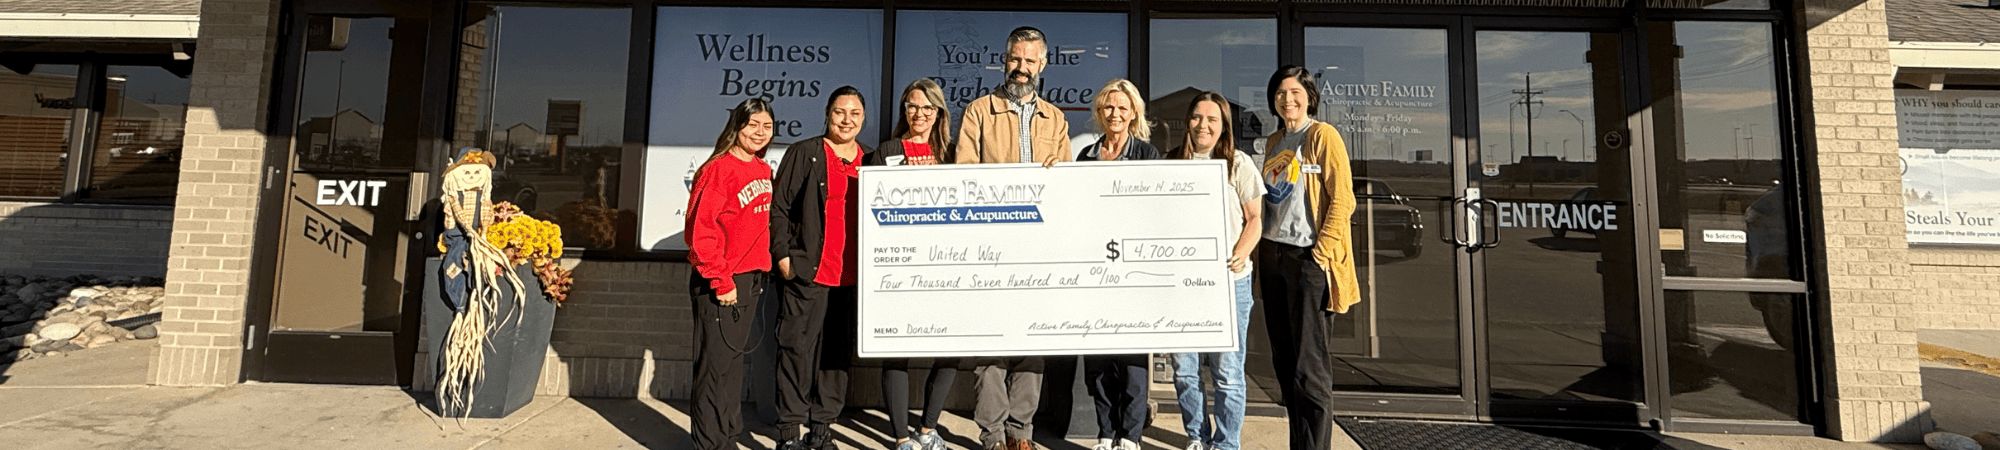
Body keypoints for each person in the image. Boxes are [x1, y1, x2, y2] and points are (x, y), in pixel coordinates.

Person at [952, 26, 1072, 450]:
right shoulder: (978, 111)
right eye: (1014, 60)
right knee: (990, 345)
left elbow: (1065, 184)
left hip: (1038, 247)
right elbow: (965, 173)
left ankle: (1021, 431)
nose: (1020, 69)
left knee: (1032, 343)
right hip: (991, 245)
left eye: (1029, 61)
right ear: (1004, 61)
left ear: (1042, 64)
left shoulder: (1055, 118)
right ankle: (992, 432)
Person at [1257, 66, 1358, 450]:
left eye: (1295, 92)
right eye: (1281, 93)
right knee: (1284, 363)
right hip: (1272, 257)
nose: (1288, 99)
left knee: (1309, 368)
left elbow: (1342, 199)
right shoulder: (1274, 141)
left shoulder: (1322, 136)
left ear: (1309, 96)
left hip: (1306, 261)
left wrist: (1320, 255)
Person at [772, 86, 874, 450]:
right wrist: (783, 256)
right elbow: (779, 207)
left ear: (864, 118)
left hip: (849, 278)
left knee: (835, 357)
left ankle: (821, 430)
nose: (847, 120)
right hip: (807, 274)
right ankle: (788, 433)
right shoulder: (806, 153)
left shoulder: (871, 160)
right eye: (839, 112)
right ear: (827, 114)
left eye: (855, 114)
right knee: (796, 351)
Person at [1167, 92, 1263, 450]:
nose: (1203, 125)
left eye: (1212, 119)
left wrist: (1240, 252)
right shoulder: (1172, 163)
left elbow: (1254, 219)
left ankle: (1226, 443)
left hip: (1229, 283)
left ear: (1223, 126)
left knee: (1226, 372)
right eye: (1197, 117)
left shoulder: (1237, 163)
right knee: (1185, 371)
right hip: (1182, 285)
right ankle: (1197, 436)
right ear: (1187, 121)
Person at [872, 78, 960, 450]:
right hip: (898, 265)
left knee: (953, 348)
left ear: (939, 112)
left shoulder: (956, 153)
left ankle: (928, 428)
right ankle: (902, 437)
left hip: (945, 265)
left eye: (927, 107)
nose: (919, 113)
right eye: (911, 106)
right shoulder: (888, 150)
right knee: (895, 350)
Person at [685, 98, 777, 450]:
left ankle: (728, 438)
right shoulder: (718, 169)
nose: (760, 132)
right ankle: (710, 444)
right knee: (714, 368)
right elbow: (700, 231)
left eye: (767, 126)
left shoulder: (762, 170)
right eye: (753, 124)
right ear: (737, 126)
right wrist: (720, 280)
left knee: (733, 366)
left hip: (751, 280)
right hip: (721, 282)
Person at [1074, 78, 1158, 450]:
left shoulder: (1147, 155)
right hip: (1095, 269)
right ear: (1099, 112)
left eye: (1123, 108)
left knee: (1132, 362)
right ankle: (1105, 434)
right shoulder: (1086, 156)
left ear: (1134, 113)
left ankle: (1130, 436)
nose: (1115, 114)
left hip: (1133, 270)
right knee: (1098, 361)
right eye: (1109, 107)